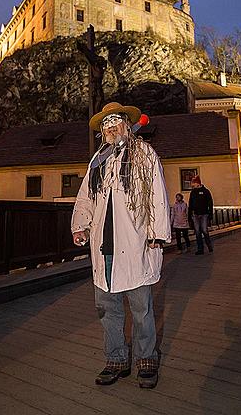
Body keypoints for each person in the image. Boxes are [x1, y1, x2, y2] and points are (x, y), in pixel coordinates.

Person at [71, 102, 171, 389]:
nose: (111, 127)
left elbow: (158, 195)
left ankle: (147, 359)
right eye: (106, 124)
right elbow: (85, 198)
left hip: (136, 242)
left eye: (115, 122)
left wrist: (157, 234)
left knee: (141, 308)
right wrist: (80, 225)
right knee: (107, 308)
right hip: (105, 247)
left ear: (127, 124)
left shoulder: (144, 154)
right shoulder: (97, 161)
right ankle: (116, 359)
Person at [188, 175, 214, 255]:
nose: (192, 185)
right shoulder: (193, 192)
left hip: (204, 214)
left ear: (197, 183)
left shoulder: (206, 191)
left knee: (204, 230)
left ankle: (209, 245)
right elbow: (190, 203)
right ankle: (200, 249)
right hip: (196, 214)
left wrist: (210, 214)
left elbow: (210, 203)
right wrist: (190, 215)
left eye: (193, 184)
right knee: (197, 232)